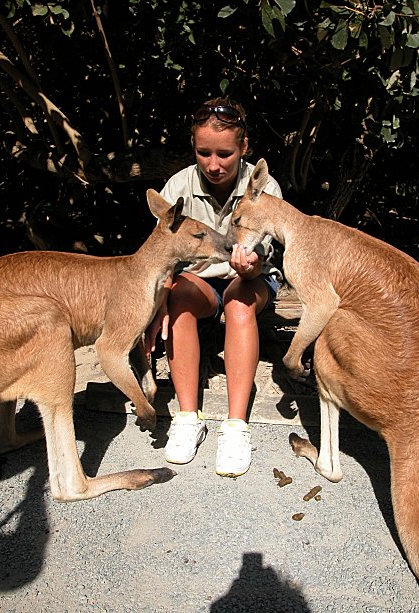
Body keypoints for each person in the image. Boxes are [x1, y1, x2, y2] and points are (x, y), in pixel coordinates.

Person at [145, 97, 283, 477]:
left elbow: (265, 258)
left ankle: (236, 426)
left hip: (251, 279)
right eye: (203, 153)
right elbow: (163, 259)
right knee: (179, 298)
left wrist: (249, 268)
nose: (213, 164)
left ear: (244, 146)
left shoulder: (263, 187)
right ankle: (188, 417)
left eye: (224, 154)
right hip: (199, 281)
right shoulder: (179, 186)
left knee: (239, 304)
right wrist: (156, 306)